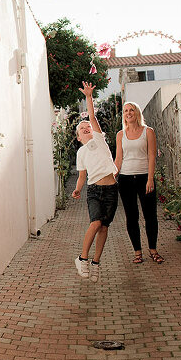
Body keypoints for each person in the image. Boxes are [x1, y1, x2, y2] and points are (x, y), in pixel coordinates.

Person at [71, 81, 119, 283]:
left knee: (105, 227)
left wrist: (89, 97)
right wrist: (77, 190)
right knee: (96, 222)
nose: (86, 128)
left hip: (111, 190)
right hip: (94, 191)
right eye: (82, 129)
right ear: (79, 137)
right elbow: (82, 175)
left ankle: (96, 263)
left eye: (87, 127)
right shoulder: (81, 153)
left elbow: (92, 116)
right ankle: (82, 258)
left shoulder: (99, 140)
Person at [114, 101, 162, 264]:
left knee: (150, 216)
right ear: (124, 115)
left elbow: (152, 156)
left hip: (144, 177)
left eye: (131, 110)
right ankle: (137, 252)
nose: (128, 113)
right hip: (126, 179)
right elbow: (118, 159)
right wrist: (112, 176)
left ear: (137, 113)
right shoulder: (120, 134)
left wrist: (150, 178)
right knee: (131, 216)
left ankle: (153, 250)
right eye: (126, 110)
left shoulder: (148, 132)